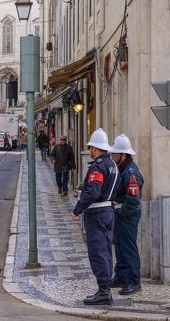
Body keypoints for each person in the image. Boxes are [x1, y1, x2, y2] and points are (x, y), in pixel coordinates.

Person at [71, 128, 120, 306]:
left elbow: (93, 191)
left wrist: (77, 209)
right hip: (108, 211)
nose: (90, 150)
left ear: (95, 149)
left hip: (97, 214)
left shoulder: (98, 165)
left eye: (91, 147)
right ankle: (104, 289)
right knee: (106, 252)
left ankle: (104, 291)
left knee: (98, 252)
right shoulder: (113, 165)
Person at [109, 134, 144, 295]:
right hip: (121, 212)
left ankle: (134, 281)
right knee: (120, 247)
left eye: (115, 153)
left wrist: (121, 212)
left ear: (124, 155)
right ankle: (121, 276)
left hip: (127, 214)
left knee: (129, 248)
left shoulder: (131, 172)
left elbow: (133, 200)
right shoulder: (122, 168)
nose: (112, 156)